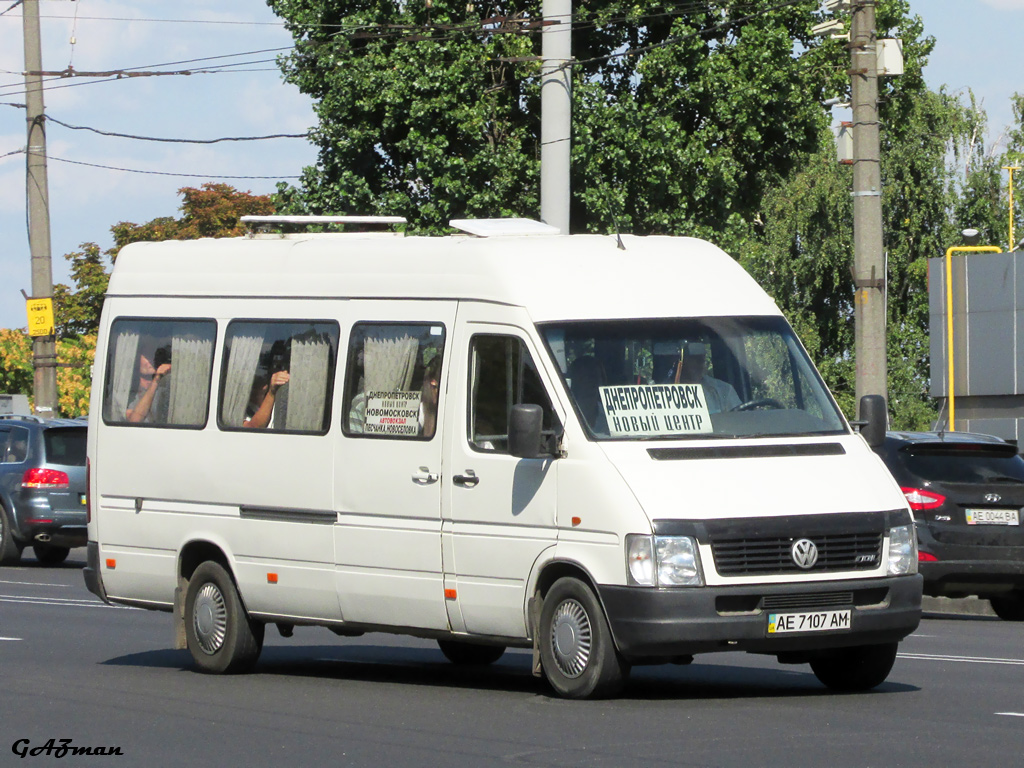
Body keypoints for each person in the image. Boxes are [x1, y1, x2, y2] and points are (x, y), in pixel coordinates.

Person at [673, 341, 741, 413]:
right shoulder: (664, 391)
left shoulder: (723, 390)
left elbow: (740, 419)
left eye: (702, 360)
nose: (700, 365)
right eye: (695, 360)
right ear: (681, 363)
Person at [126, 345, 171, 423]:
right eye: (147, 355)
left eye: (153, 355)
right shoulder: (128, 389)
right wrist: (156, 379)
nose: (151, 359)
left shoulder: (165, 387)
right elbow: (135, 420)